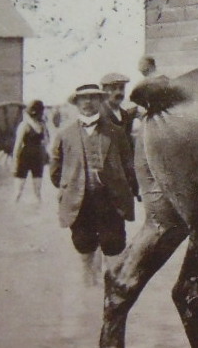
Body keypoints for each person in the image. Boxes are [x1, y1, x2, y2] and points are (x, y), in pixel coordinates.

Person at [50, 84, 138, 283]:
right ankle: (88, 290)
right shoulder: (65, 134)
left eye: (93, 98)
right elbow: (55, 169)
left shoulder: (116, 132)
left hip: (111, 198)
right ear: (77, 103)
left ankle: (112, 291)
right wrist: (69, 188)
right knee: (83, 244)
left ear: (100, 101)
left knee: (114, 245)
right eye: (83, 98)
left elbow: (128, 165)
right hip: (79, 200)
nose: (88, 102)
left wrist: (129, 190)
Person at [12, 99, 49, 203]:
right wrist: (15, 162)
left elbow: (46, 141)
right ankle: (14, 212)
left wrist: (45, 155)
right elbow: (18, 145)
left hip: (37, 158)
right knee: (18, 192)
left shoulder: (42, 125)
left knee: (38, 191)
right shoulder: (24, 125)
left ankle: (39, 214)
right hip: (24, 158)